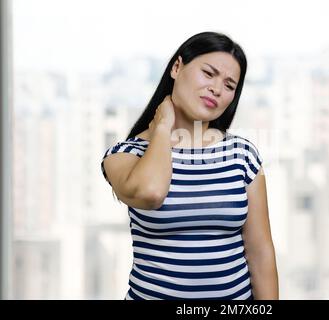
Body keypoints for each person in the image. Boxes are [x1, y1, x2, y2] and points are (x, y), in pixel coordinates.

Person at [101, 31, 278, 300]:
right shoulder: (124, 154)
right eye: (208, 74)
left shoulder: (243, 155)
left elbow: (261, 252)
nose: (217, 89)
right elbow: (150, 192)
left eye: (229, 85)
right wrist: (162, 127)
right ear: (176, 67)